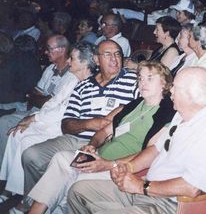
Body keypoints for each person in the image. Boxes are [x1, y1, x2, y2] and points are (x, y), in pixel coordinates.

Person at [67, 67, 206, 214]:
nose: (171, 90)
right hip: (147, 190)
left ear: (192, 94)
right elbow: (155, 151)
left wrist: (140, 186)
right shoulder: (181, 116)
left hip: (170, 205)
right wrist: (127, 167)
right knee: (79, 190)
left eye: (176, 87)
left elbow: (192, 187)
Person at [27, 61, 176, 214]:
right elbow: (104, 132)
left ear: (164, 83)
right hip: (99, 157)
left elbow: (151, 152)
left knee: (74, 182)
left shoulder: (167, 112)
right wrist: (92, 145)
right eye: (140, 78)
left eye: (149, 78)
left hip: (122, 168)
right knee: (61, 158)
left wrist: (107, 164)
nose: (142, 82)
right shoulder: (133, 105)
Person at [20, 40, 139, 212]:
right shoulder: (83, 86)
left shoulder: (133, 81)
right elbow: (66, 125)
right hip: (75, 138)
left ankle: (53, 201)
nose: (114, 59)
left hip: (107, 143)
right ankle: (38, 202)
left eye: (118, 54)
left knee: (65, 162)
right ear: (97, 60)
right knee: (31, 155)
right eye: (108, 54)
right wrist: (91, 123)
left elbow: (142, 109)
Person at [0, 42, 96, 202]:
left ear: (84, 63)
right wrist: (34, 117)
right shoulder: (72, 79)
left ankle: (24, 194)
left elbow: (62, 112)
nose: (68, 62)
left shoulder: (88, 83)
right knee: (17, 133)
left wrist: (35, 119)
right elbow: (53, 102)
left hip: (62, 126)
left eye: (72, 59)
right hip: (50, 120)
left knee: (25, 139)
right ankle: (10, 186)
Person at [0, 35, 70, 167]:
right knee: (4, 122)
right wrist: (37, 98)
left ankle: (14, 173)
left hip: (48, 118)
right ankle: (4, 169)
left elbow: (47, 103)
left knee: (16, 130)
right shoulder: (50, 69)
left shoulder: (71, 74)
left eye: (49, 49)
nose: (45, 52)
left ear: (61, 50)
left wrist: (36, 98)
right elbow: (34, 94)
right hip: (33, 110)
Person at [0, 34, 41, 112]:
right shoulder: (22, 57)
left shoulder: (11, 61)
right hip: (22, 100)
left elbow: (4, 92)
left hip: (18, 104)